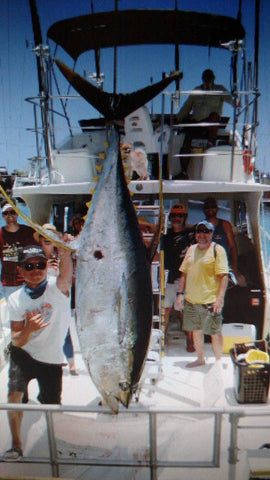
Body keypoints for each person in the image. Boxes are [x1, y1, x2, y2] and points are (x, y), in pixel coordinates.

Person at [4, 244, 72, 461]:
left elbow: (66, 272)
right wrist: (29, 329)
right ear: (20, 271)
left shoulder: (58, 288)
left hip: (51, 358)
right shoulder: (15, 299)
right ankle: (16, 445)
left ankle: (56, 442)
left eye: (40, 265)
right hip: (24, 354)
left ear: (46, 266)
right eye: (29, 266)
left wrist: (64, 251)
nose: (35, 270)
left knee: (52, 404)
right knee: (13, 396)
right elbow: (16, 340)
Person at [176, 220, 228, 368]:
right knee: (196, 331)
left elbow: (223, 276)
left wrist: (220, 299)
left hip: (210, 301)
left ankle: (218, 361)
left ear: (212, 234)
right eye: (199, 231)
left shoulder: (218, 250)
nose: (202, 235)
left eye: (206, 231)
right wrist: (180, 294)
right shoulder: (191, 249)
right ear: (196, 234)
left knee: (214, 332)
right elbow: (184, 273)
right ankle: (200, 359)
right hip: (191, 300)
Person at [33, 224, 78, 375]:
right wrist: (44, 267)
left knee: (65, 330)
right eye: (43, 237)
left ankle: (71, 363)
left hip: (62, 298)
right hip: (44, 299)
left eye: (50, 237)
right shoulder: (35, 258)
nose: (46, 240)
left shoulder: (63, 254)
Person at [175, 69, 233, 179]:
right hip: (197, 123)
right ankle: (183, 172)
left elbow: (230, 99)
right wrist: (177, 119)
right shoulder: (196, 91)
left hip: (211, 123)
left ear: (213, 79)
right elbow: (187, 107)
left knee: (214, 116)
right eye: (205, 77)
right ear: (202, 79)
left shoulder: (219, 90)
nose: (207, 80)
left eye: (209, 77)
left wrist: (236, 103)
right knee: (186, 142)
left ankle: (211, 144)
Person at [163, 204, 194, 351]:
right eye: (174, 215)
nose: (176, 218)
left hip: (185, 279)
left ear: (184, 218)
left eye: (180, 215)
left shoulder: (191, 235)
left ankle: (190, 340)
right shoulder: (165, 235)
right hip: (168, 278)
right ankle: (162, 339)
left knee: (184, 311)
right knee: (166, 310)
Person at [203, 197, 246, 286]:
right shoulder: (200, 226)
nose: (210, 209)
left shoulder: (225, 225)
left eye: (212, 206)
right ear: (204, 209)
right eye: (207, 207)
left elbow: (232, 247)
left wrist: (234, 268)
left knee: (241, 284)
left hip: (224, 267)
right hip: (207, 268)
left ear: (217, 208)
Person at [0, 202, 37, 300]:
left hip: (28, 281)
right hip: (8, 283)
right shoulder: (0, 234)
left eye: (13, 212)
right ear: (3, 216)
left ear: (17, 213)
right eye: (6, 213)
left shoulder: (29, 232)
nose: (10, 216)